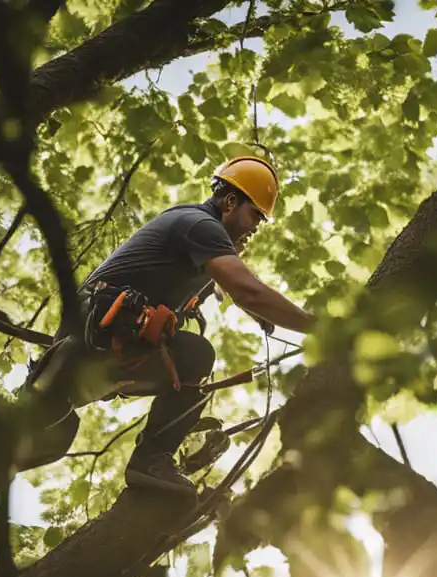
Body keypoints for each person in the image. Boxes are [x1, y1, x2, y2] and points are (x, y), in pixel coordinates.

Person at [35, 155, 315, 495]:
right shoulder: (200, 225)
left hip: (102, 347)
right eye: (255, 214)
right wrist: (316, 327)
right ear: (230, 202)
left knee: (191, 378)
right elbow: (248, 291)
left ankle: (160, 462)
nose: (256, 226)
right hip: (93, 339)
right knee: (197, 355)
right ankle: (151, 462)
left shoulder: (198, 241)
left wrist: (262, 316)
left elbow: (233, 288)